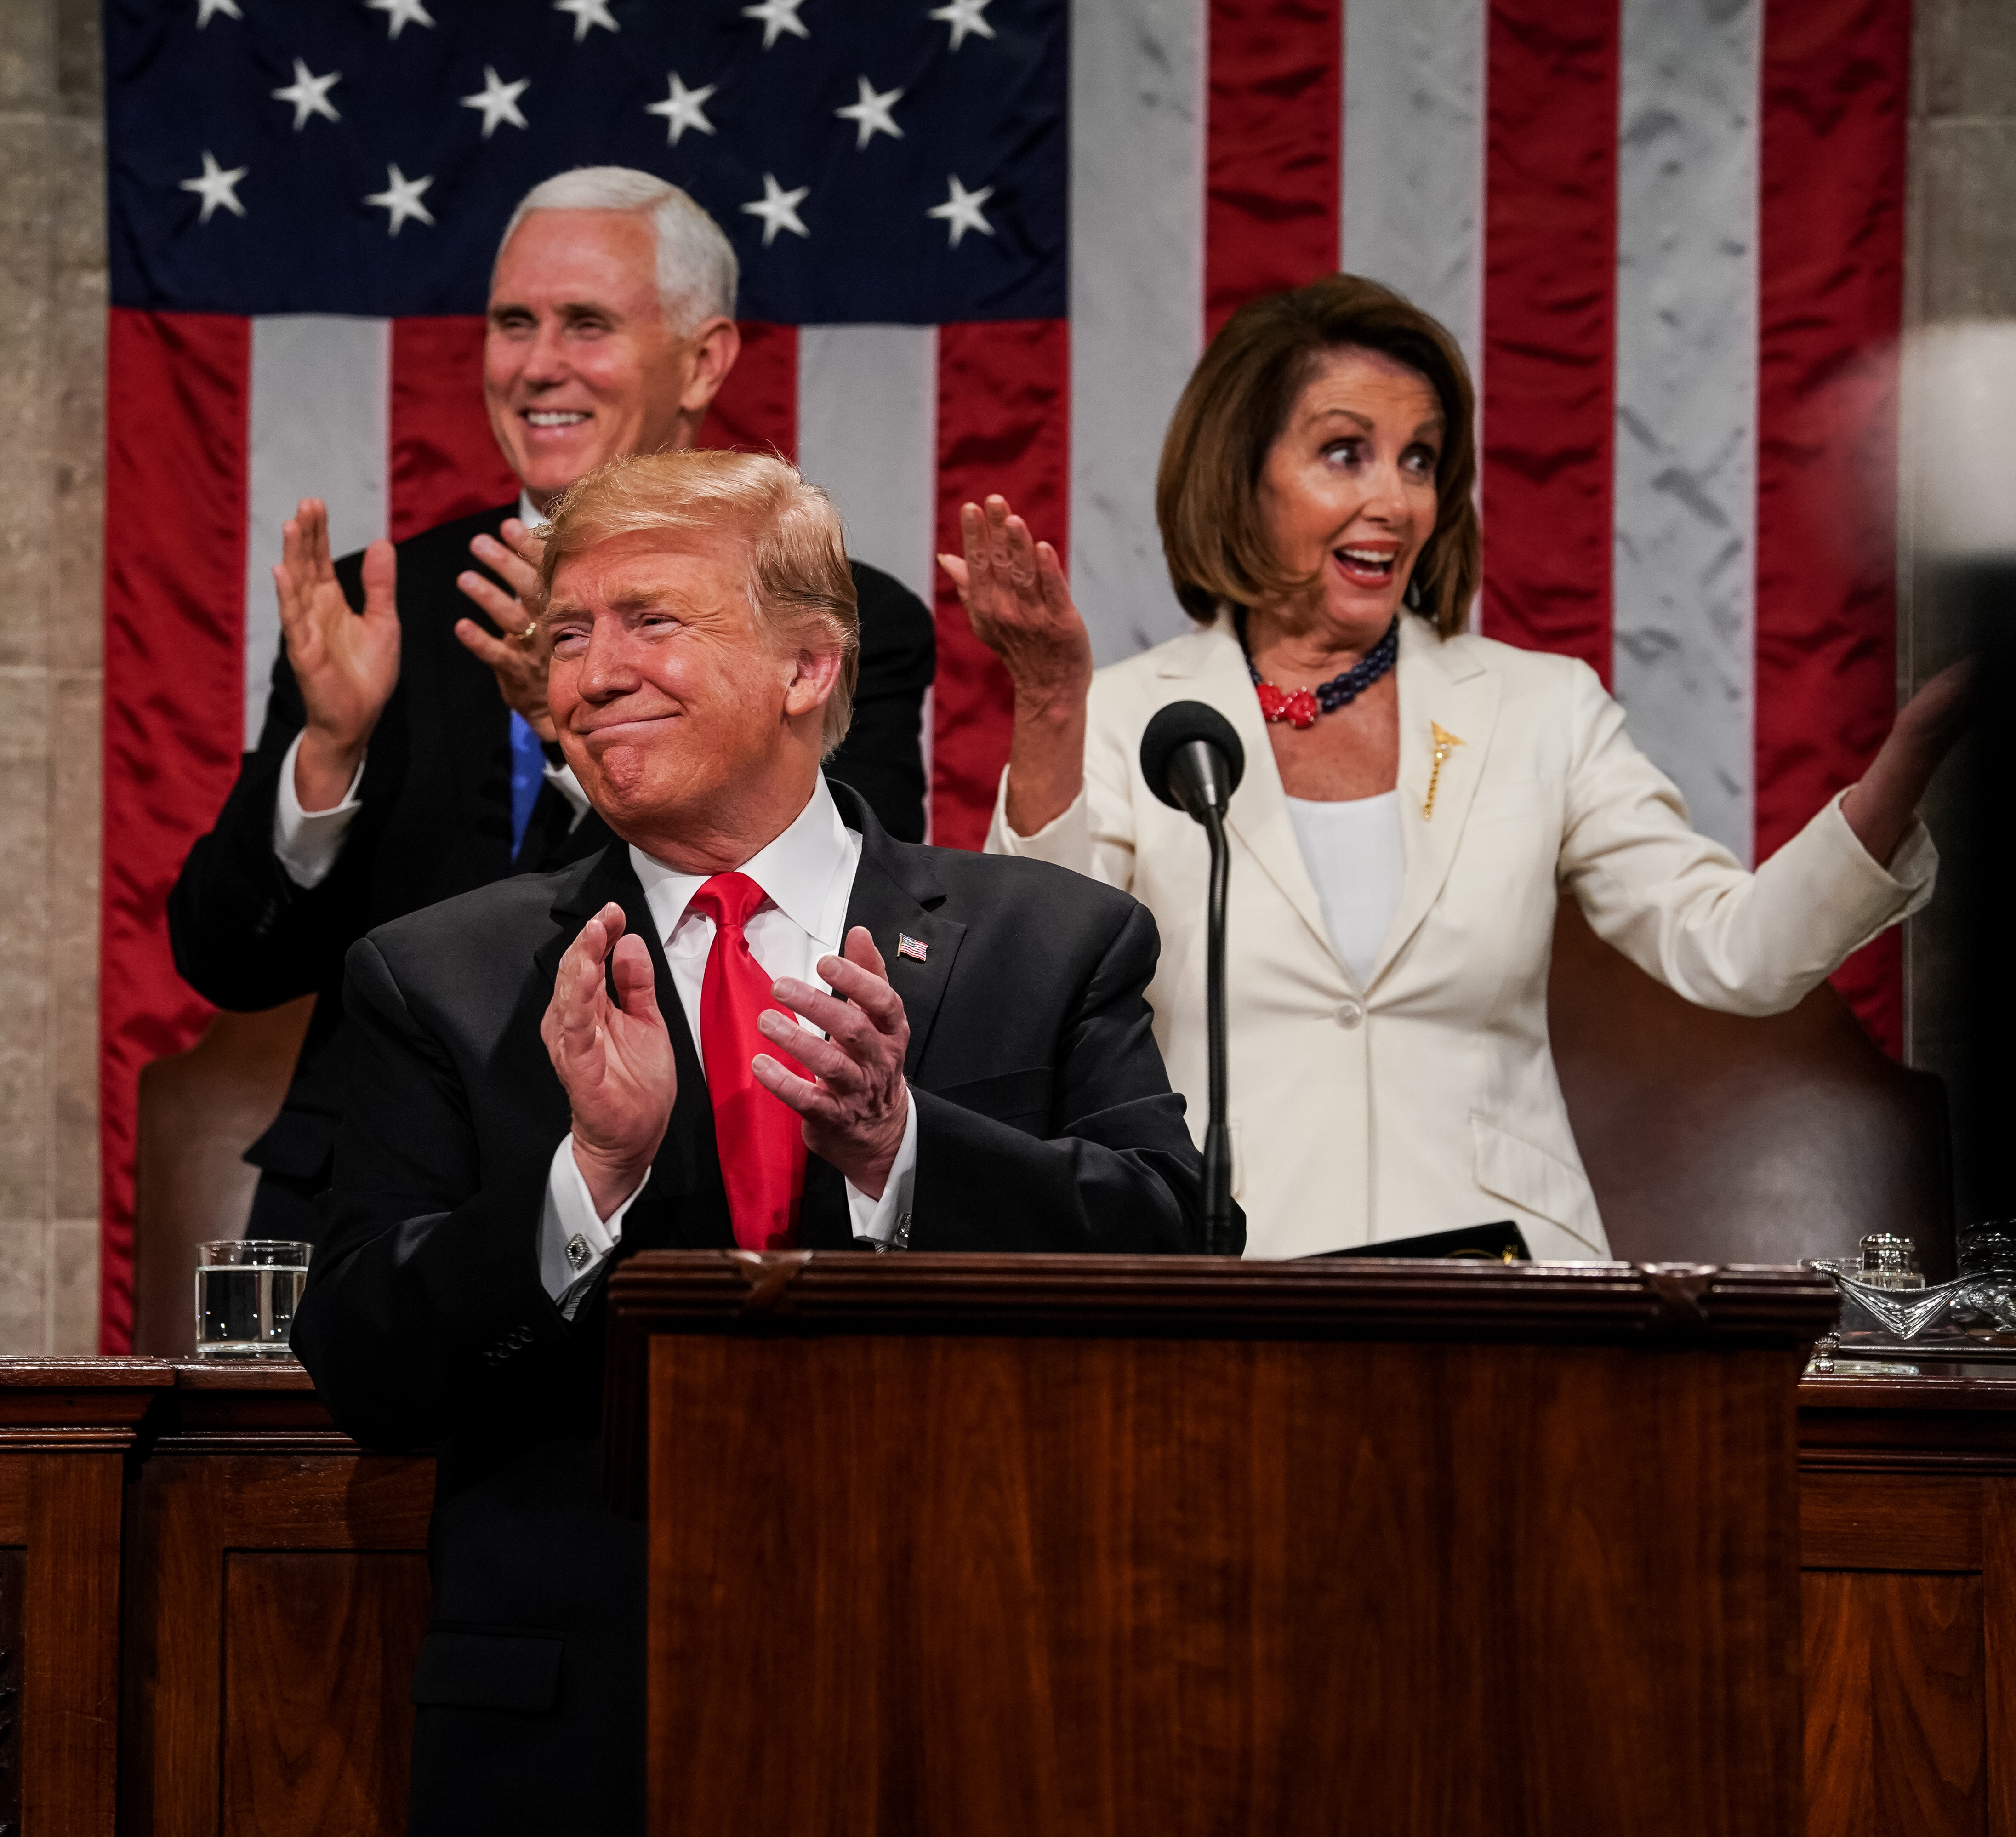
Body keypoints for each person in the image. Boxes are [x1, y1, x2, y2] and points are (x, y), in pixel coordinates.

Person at [290, 448, 1224, 1836]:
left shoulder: (1051, 939)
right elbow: (363, 1354)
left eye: (651, 620)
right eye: (566, 634)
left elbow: (1185, 1253)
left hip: (985, 1691)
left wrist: (903, 1150)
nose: (591, 672)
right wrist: (584, 1182)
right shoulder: (444, 975)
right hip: (588, 1728)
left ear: (805, 667)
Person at [954, 273, 1965, 1262]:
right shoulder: (1132, 715)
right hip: (1241, 1283)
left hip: (1511, 1293)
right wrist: (1049, 706)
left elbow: (1734, 952)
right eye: (1346, 454)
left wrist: (1908, 756)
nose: (1394, 499)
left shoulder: (1541, 709)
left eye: (1422, 460)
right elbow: (1051, 983)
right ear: (1243, 474)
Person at [167, 168, 937, 1238]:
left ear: (704, 360)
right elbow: (228, 962)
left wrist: (575, 727)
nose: (538, 366)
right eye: (513, 324)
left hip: (681, 1204)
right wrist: (331, 753)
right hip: (378, 1209)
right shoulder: (374, 606)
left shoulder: (831, 619)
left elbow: (853, 919)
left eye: (587, 325)